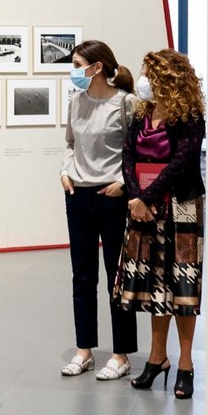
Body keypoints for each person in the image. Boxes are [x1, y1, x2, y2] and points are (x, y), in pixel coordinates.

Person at [116, 49, 208, 398]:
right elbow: (128, 154)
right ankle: (157, 359)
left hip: (181, 207)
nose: (144, 81)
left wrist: (147, 196)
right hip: (145, 206)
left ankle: (185, 363)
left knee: (183, 287)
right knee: (157, 286)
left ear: (168, 78)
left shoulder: (191, 116)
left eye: (150, 74)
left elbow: (182, 163)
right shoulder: (143, 112)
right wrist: (136, 195)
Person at [58, 40, 140, 380]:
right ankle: (84, 350)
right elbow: (70, 144)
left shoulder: (127, 103)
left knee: (116, 277)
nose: (74, 71)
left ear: (98, 68)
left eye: (78, 64)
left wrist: (124, 182)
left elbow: (138, 151)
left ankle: (120, 354)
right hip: (78, 196)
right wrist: (64, 172)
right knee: (82, 276)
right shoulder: (76, 102)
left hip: (112, 197)